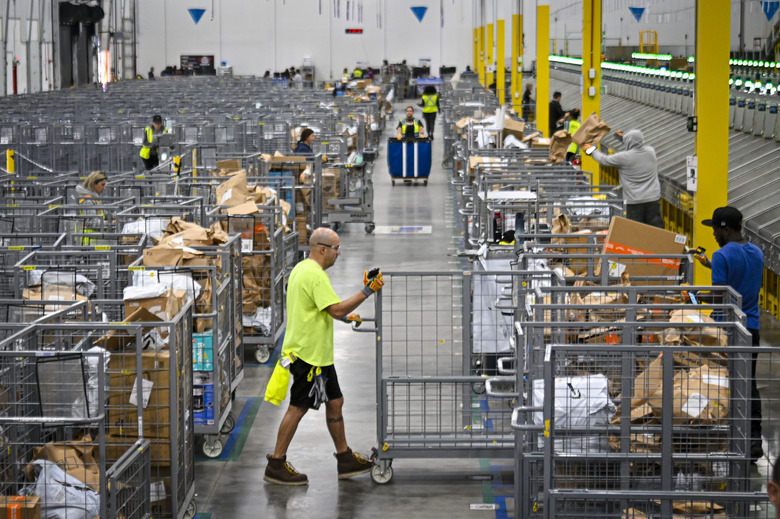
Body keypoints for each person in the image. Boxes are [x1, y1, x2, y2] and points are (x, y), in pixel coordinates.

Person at [264, 228, 385, 485]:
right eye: (336, 249)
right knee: (298, 407)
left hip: (318, 355)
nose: (338, 253)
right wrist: (368, 290)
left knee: (335, 401)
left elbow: (319, 308)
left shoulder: (301, 269)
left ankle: (345, 458)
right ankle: (276, 463)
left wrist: (344, 314)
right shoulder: (316, 276)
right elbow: (336, 309)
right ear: (322, 249)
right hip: (308, 357)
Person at [698, 206, 764, 462]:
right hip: (751, 326)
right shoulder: (756, 253)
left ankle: (718, 437)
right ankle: (754, 441)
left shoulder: (723, 254)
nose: (714, 234)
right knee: (748, 383)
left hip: (725, 329)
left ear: (725, 229)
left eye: (715, 229)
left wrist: (692, 297)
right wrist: (710, 264)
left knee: (716, 381)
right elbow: (741, 279)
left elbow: (719, 295)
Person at [582, 130, 663, 228]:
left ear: (628, 142)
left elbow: (604, 160)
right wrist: (624, 139)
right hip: (653, 199)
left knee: (635, 231)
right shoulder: (651, 151)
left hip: (634, 202)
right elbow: (635, 144)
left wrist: (592, 151)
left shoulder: (623, 158)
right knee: (656, 230)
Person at [76, 171, 107, 241]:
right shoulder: (87, 201)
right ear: (94, 183)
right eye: (102, 185)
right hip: (89, 242)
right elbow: (91, 222)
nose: (104, 188)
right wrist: (110, 224)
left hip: (95, 240)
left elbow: (102, 213)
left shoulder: (94, 198)